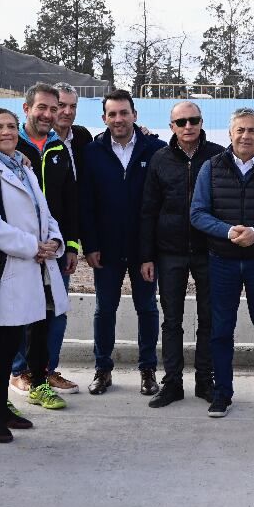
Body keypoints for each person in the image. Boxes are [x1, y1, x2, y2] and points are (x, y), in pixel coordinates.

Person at [0, 108, 69, 443]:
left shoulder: (21, 166)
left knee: (14, 342)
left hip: (31, 264)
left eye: (11, 126)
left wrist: (55, 239)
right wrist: (33, 247)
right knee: (2, 345)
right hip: (10, 267)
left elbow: (44, 210)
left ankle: (2, 409)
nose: (7, 132)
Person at [190, 107, 254, 418]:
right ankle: (221, 394)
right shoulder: (211, 167)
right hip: (222, 261)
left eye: (252, 131)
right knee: (221, 331)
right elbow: (197, 213)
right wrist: (227, 231)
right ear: (230, 134)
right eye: (241, 130)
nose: (246, 135)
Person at [79, 90, 167, 395]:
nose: (118, 119)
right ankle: (102, 369)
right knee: (105, 309)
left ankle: (148, 370)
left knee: (147, 308)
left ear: (135, 115)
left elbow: (160, 204)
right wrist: (90, 245)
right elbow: (85, 205)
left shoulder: (156, 149)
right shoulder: (91, 152)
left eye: (124, 113)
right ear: (104, 118)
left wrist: (151, 252)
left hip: (144, 250)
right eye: (112, 114)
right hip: (106, 250)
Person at [139, 100, 222, 406]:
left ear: (201, 123)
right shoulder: (159, 159)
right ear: (171, 126)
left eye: (194, 120)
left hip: (208, 251)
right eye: (182, 122)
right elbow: (148, 210)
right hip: (169, 253)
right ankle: (172, 383)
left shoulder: (218, 156)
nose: (189, 126)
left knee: (208, 319)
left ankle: (205, 381)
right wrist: (146, 256)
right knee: (171, 321)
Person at [10, 83, 81, 406]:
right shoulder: (11, 143)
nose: (49, 115)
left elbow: (69, 202)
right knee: (20, 311)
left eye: (54, 109)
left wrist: (70, 245)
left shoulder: (59, 148)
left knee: (55, 311)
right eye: (43, 108)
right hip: (18, 248)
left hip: (54, 249)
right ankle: (18, 371)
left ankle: (46, 369)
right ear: (27, 108)